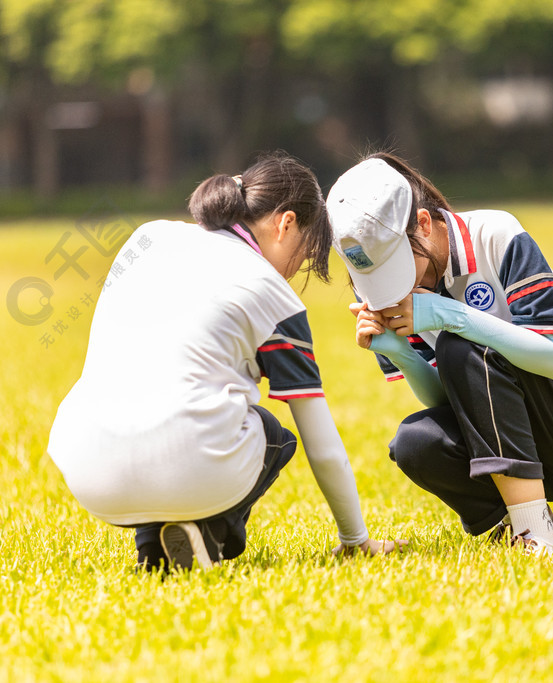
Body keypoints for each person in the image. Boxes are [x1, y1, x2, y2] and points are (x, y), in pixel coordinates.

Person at [48, 152, 403, 571]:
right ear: (285, 223)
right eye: (303, 256)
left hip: (85, 467)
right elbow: (322, 445)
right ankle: (212, 536)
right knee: (275, 436)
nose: (293, 273)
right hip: (190, 467)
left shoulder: (149, 237)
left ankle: (156, 550)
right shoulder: (271, 292)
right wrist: (355, 539)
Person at [327, 154, 553, 555]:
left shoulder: (496, 234)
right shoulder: (376, 289)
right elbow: (456, 399)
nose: (385, 287)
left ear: (424, 225)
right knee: (415, 442)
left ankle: (536, 535)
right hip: (535, 445)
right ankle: (517, 518)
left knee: (459, 347)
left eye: (392, 265)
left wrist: (450, 316)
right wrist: (403, 355)